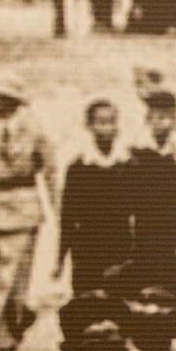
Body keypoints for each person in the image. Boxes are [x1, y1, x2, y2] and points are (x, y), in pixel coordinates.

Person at [0, 70, 58, 351]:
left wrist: (59, 210)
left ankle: (4, 341)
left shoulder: (33, 129)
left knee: (11, 280)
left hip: (23, 208)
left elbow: (51, 170)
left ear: (9, 100)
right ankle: (20, 315)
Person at [59, 97, 135, 296]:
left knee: (120, 298)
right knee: (87, 300)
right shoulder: (78, 168)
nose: (108, 128)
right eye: (101, 122)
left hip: (120, 243)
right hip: (87, 246)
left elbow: (139, 211)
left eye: (112, 122)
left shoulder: (129, 166)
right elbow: (68, 216)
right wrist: (61, 258)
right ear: (89, 126)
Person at [126, 88, 176, 259]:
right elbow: (130, 193)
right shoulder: (137, 152)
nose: (160, 122)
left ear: (174, 120)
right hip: (143, 226)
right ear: (147, 119)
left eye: (166, 117)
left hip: (172, 225)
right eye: (155, 117)